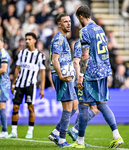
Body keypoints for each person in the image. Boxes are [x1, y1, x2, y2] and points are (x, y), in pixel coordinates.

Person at [69, 5, 124, 148]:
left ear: (81, 16)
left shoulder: (84, 31)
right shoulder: (100, 29)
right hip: (104, 71)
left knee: (83, 105)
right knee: (102, 104)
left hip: (91, 72)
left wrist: (80, 75)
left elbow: (85, 54)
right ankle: (116, 136)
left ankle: (80, 142)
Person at [5, 32, 46, 139]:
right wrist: (13, 84)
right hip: (19, 84)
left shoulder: (40, 56)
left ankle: (30, 131)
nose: (27, 41)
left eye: (29, 39)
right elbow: (17, 68)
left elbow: (42, 72)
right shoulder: (21, 53)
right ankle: (14, 131)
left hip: (30, 85)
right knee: (15, 106)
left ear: (34, 40)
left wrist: (42, 88)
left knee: (30, 107)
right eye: (26, 39)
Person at [48, 13, 77, 147]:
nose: (68, 23)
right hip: (62, 76)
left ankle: (55, 132)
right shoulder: (59, 38)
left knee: (74, 106)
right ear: (59, 24)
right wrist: (60, 75)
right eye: (65, 22)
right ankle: (61, 139)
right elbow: (54, 59)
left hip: (65, 75)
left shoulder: (63, 38)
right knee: (68, 107)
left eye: (69, 21)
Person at [67, 40, 100, 142]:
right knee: (95, 108)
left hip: (86, 80)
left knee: (83, 109)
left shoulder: (84, 43)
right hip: (85, 81)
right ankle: (75, 129)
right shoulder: (82, 43)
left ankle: (78, 138)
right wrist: (79, 78)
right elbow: (76, 61)